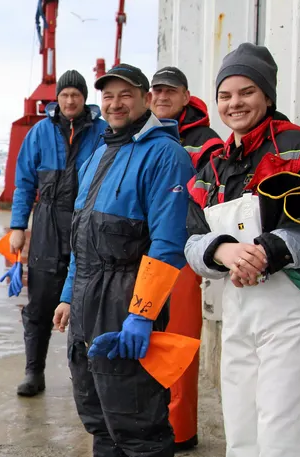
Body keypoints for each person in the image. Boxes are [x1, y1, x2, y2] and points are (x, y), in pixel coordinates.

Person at [184, 42, 300, 457]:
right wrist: (222, 252)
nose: (234, 103)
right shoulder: (214, 165)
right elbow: (190, 236)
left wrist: (272, 249)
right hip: (239, 314)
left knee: (290, 440)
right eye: (225, 95)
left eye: (246, 92)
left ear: (268, 94)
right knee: (243, 436)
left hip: (298, 314)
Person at [53, 63, 195, 456]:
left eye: (125, 95)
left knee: (137, 425)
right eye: (108, 96)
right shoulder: (99, 152)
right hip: (86, 301)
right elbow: (82, 238)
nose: (115, 104)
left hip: (126, 300)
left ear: (146, 99)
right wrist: (67, 296)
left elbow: (167, 244)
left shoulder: (167, 155)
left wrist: (142, 314)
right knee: (98, 417)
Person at [7, 69, 108, 397]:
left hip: (88, 221)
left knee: (88, 299)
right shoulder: (39, 132)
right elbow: (24, 183)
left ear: (84, 99)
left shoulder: (102, 132)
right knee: (39, 302)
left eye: (76, 95)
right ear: (57, 98)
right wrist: (18, 227)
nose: (70, 100)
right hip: (48, 222)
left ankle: (90, 378)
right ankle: (33, 371)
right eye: (64, 95)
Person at [149, 65, 224, 451]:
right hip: (145, 253)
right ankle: (148, 422)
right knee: (147, 341)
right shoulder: (142, 134)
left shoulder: (206, 141)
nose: (161, 97)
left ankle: (181, 431)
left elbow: (208, 200)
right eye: (156, 91)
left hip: (181, 256)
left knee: (180, 344)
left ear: (185, 96)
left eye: (170, 91)